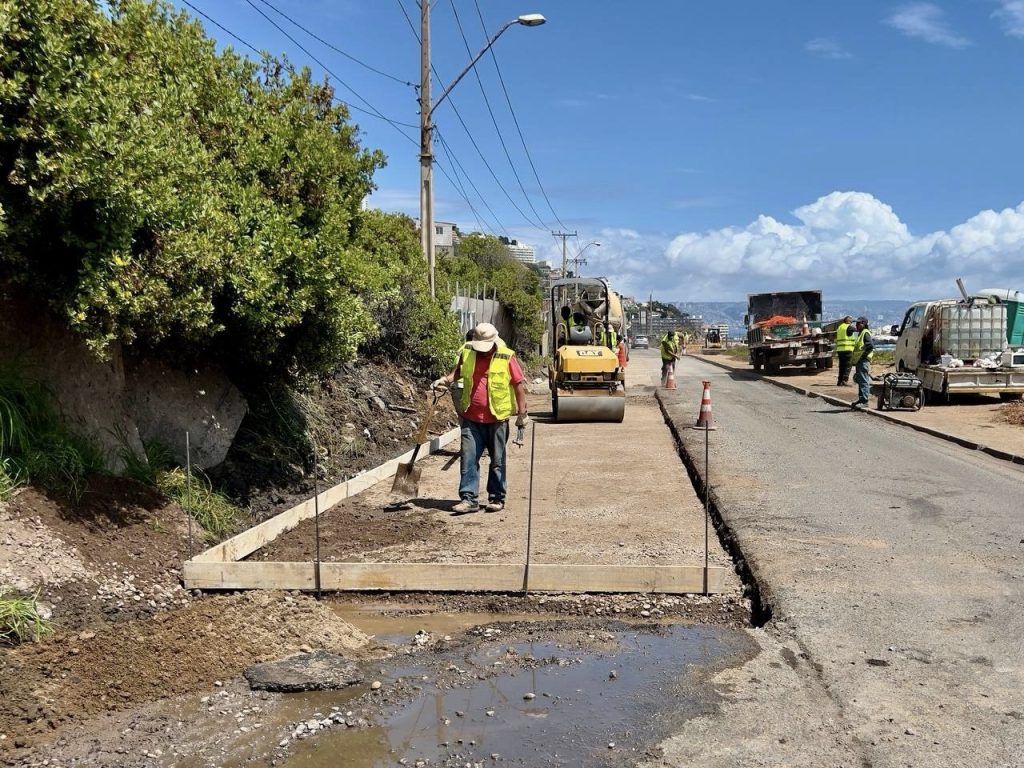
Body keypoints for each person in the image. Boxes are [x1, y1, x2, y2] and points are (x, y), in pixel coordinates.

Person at [432, 322, 528, 514]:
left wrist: (521, 414)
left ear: (494, 342)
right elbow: (457, 373)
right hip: (471, 417)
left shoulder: (506, 356)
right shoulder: (467, 352)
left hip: (497, 419)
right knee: (468, 459)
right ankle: (469, 499)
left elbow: (518, 386)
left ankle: (496, 498)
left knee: (497, 461)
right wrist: (445, 380)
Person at [850, 316, 874, 408]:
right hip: (860, 361)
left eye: (858, 323)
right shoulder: (861, 333)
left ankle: (864, 401)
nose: (856, 325)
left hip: (863, 360)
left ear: (864, 324)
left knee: (863, 380)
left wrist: (863, 354)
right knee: (860, 380)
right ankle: (861, 399)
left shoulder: (865, 333)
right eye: (856, 323)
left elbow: (870, 345)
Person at [834, 316, 855, 386]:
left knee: (842, 366)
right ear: (848, 321)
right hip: (847, 349)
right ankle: (844, 380)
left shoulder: (840, 327)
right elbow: (856, 329)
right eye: (851, 321)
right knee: (848, 366)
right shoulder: (848, 327)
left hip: (840, 350)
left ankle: (839, 381)